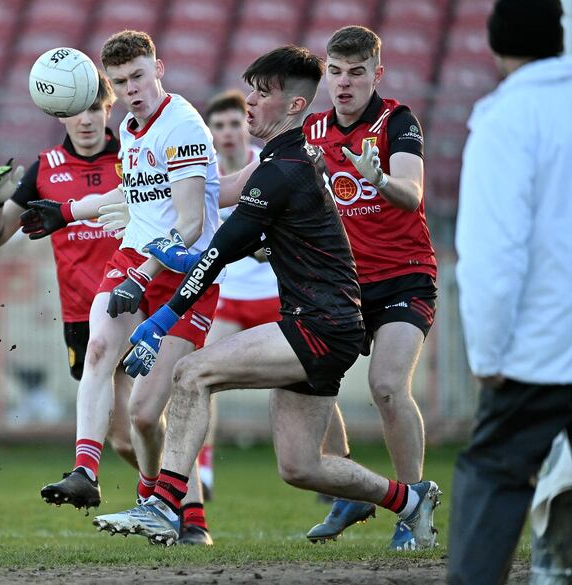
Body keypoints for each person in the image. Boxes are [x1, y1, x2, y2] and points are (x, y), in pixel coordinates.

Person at [90, 45, 441, 548]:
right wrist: (144, 211)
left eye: (261, 94)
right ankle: (412, 499)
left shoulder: (283, 169)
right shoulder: (282, 161)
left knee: (192, 372)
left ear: (294, 106)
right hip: (325, 322)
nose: (248, 103)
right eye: (250, 90)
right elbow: (219, 205)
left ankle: (166, 507)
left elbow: (218, 252)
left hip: (320, 324)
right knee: (301, 466)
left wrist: (160, 318)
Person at [21, 30, 221, 545]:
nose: (131, 88)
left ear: (160, 67)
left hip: (186, 274)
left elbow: (192, 224)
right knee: (100, 348)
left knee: (144, 413)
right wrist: (64, 212)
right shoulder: (132, 128)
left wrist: (142, 277)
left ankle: (172, 506)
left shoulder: (182, 126)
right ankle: (86, 471)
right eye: (120, 81)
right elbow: (131, 194)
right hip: (135, 254)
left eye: (138, 75)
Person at [448, 1, 571, 582]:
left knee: (494, 472)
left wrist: (488, 354)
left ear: (496, 47)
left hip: (539, 351)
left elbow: (495, 255)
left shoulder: (506, 117)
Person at [301, 25, 438, 550]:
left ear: (376, 74)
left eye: (356, 73)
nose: (343, 84)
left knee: (386, 386)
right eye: (334, 72)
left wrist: (378, 179)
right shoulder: (311, 132)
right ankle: (350, 491)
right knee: (311, 375)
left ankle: (415, 508)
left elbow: (412, 191)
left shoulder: (396, 120)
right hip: (344, 281)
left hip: (405, 273)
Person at [0, 70, 137, 467]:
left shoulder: (131, 157)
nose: (85, 120)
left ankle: (182, 503)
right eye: (75, 112)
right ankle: (173, 496)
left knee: (143, 419)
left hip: (136, 302)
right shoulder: (45, 168)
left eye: (94, 109)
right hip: (81, 313)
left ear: (109, 109)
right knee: (123, 439)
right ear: (60, 114)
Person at [198, 90, 278, 500]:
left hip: (277, 297)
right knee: (201, 376)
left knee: (311, 381)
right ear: (209, 132)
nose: (228, 132)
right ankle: (204, 473)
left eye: (235, 123)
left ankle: (337, 460)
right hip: (229, 298)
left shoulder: (266, 164)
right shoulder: (205, 173)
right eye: (219, 126)